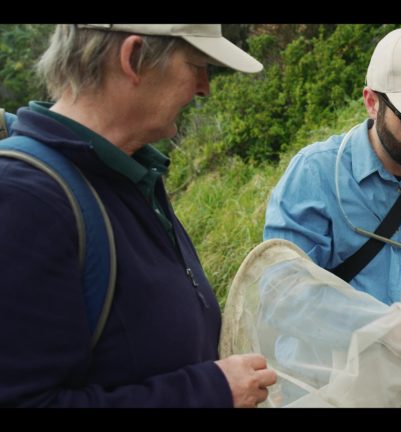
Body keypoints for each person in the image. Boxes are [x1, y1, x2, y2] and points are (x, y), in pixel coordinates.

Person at [0, 24, 276, 407]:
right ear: (132, 59)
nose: (204, 87)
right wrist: (211, 390)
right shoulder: (27, 199)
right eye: (196, 65)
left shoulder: (124, 172)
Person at [263, 26, 401, 383]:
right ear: (372, 102)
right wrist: (387, 330)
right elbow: (281, 296)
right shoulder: (316, 176)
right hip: (320, 391)